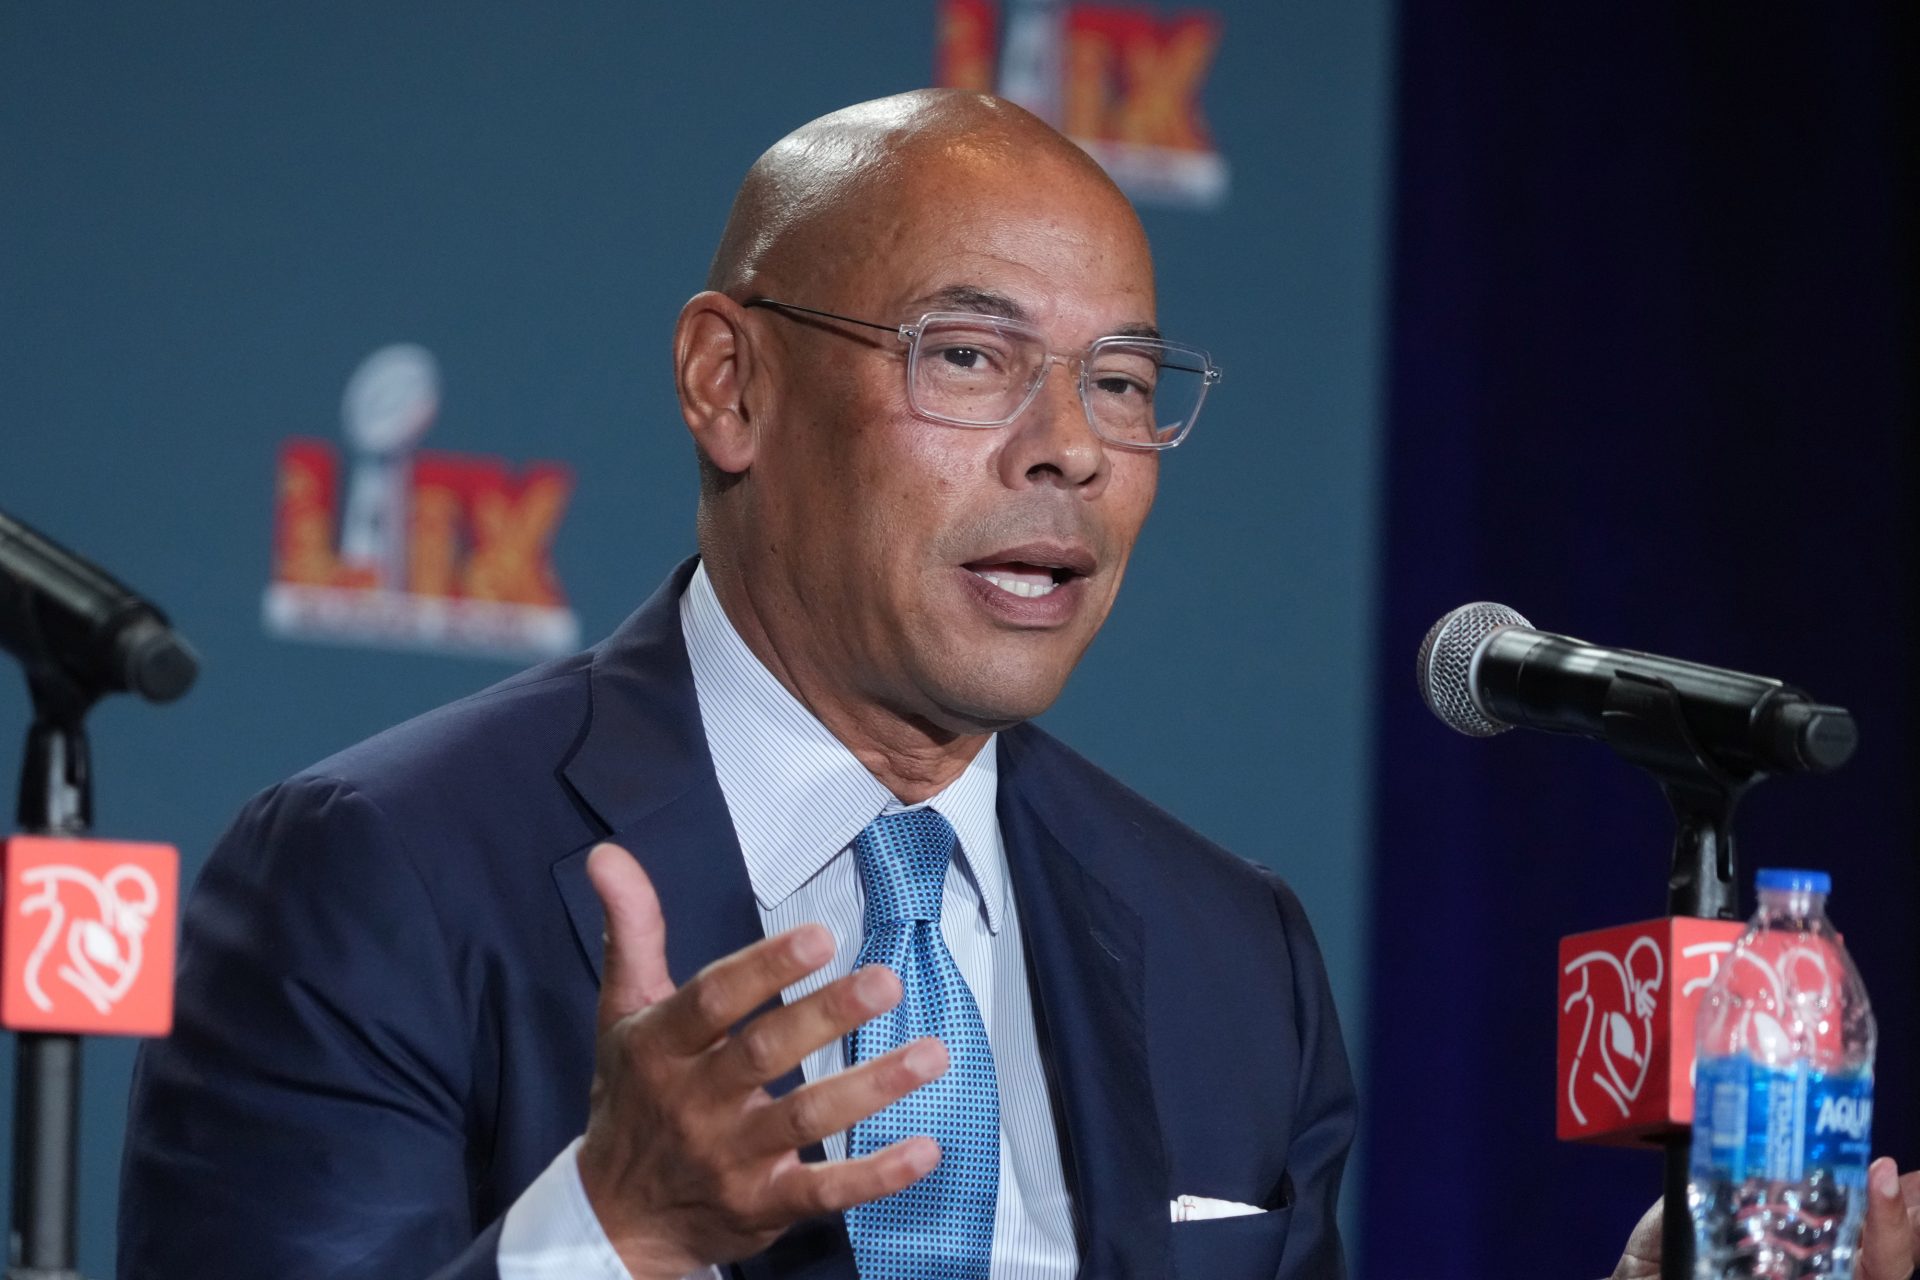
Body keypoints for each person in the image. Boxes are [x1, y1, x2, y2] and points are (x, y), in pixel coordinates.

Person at [117, 90, 1920, 1280]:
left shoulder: (1233, 956)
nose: (1069, 451)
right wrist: (616, 1228)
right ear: (728, 385)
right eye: (970, 356)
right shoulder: (384, 872)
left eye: (1126, 385)